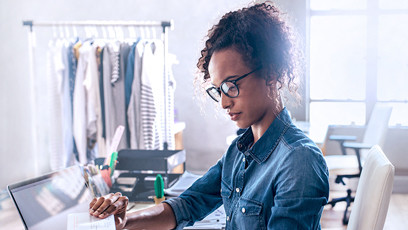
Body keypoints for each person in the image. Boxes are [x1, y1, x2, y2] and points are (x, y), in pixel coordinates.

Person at [89, 2, 329, 229]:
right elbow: (188, 205)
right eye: (219, 89)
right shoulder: (239, 151)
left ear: (270, 74)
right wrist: (124, 221)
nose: (224, 102)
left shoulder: (299, 160)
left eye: (232, 85)